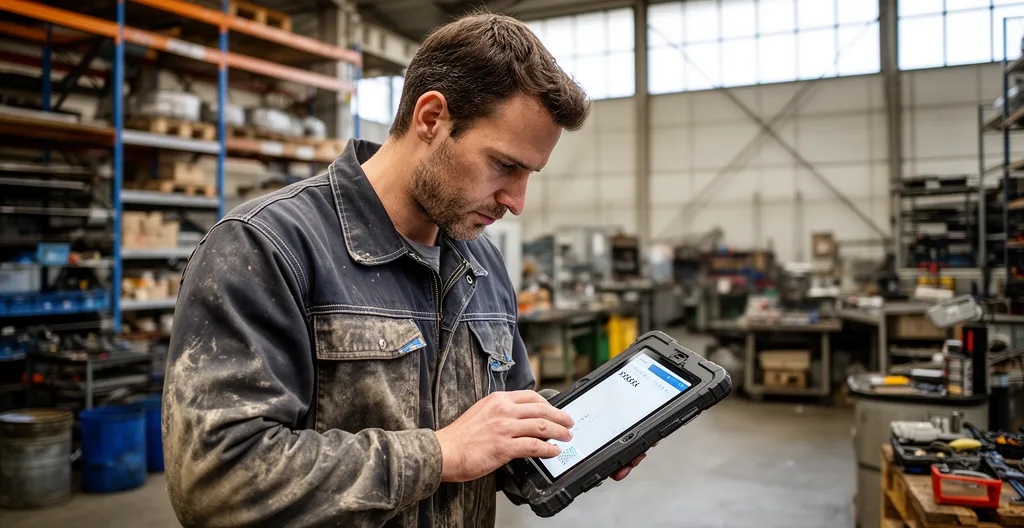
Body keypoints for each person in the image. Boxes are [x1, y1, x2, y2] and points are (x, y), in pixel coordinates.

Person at [163, 12, 647, 527]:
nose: (517, 201)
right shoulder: (267, 248)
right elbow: (216, 480)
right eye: (505, 165)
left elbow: (496, 430)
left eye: (529, 173)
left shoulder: (479, 262)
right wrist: (439, 454)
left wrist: (566, 433)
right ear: (432, 118)